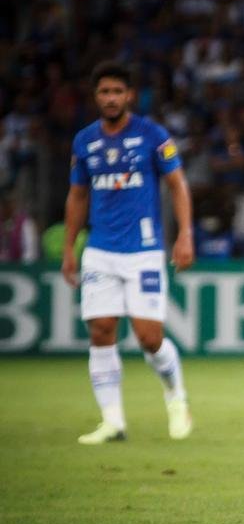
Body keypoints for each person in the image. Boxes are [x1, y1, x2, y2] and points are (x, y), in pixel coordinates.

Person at [62, 60, 195, 445]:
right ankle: (113, 421)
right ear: (96, 96)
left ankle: (176, 397)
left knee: (149, 337)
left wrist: (185, 234)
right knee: (101, 330)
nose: (111, 98)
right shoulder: (84, 141)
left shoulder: (153, 135)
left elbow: (177, 184)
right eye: (104, 92)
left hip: (143, 250)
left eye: (117, 91)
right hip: (100, 249)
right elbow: (77, 195)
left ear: (130, 96)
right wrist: (69, 248)